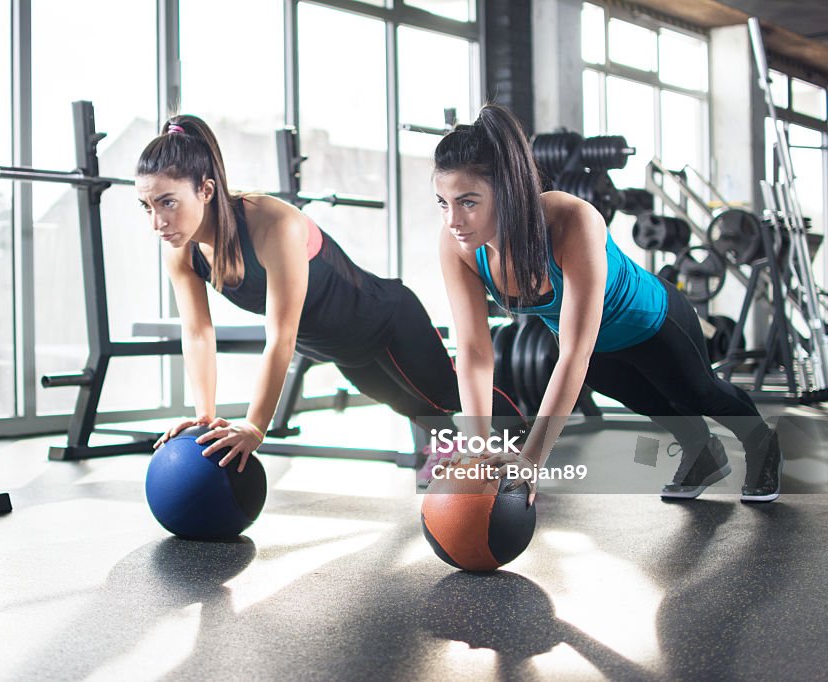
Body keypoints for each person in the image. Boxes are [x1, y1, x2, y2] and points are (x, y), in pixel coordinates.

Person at [135, 115, 526, 476]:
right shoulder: (181, 251)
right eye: (147, 206)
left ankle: (525, 452)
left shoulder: (272, 223)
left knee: (444, 394)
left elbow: (281, 337)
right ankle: (470, 464)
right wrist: (204, 418)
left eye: (168, 202)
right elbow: (199, 333)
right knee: (416, 408)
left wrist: (255, 427)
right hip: (342, 348)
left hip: (386, 320)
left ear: (205, 190)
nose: (157, 222)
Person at [433, 102, 783, 504]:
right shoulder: (457, 246)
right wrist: (478, 450)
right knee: (646, 402)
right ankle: (703, 452)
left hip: (652, 322)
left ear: (508, 192)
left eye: (468, 202)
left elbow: (572, 356)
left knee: (696, 394)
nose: (453, 220)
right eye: (443, 202)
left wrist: (530, 462)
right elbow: (476, 352)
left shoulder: (572, 220)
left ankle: (762, 443)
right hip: (594, 345)